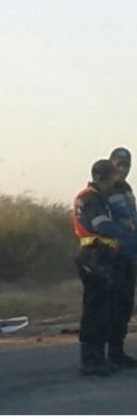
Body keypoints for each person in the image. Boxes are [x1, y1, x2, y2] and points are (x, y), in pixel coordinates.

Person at [73, 159, 130, 375]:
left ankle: (105, 356)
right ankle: (91, 360)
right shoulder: (90, 198)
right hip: (94, 256)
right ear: (101, 178)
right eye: (111, 178)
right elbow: (102, 226)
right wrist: (124, 227)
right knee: (95, 310)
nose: (114, 182)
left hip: (103, 256)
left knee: (107, 308)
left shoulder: (98, 197)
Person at [106, 147, 137, 368]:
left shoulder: (126, 189)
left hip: (130, 254)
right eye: (119, 164)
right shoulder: (104, 190)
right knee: (113, 305)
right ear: (111, 164)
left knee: (126, 305)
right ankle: (109, 353)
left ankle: (118, 351)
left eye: (127, 165)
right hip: (113, 256)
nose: (123, 169)